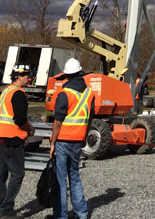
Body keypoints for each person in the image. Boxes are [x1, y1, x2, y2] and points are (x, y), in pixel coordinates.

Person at [49, 58, 94, 219]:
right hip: (77, 140)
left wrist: (52, 142)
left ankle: (61, 216)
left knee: (61, 180)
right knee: (74, 176)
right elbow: (89, 118)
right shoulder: (89, 93)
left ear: (67, 75)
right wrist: (84, 137)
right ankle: (81, 213)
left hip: (62, 140)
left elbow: (58, 121)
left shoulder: (65, 94)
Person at [0, 63, 35, 219]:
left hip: (1, 137)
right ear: (20, 76)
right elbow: (19, 118)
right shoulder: (18, 93)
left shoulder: (6, 91)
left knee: (0, 174)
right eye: (28, 76)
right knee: (17, 174)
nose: (29, 79)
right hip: (13, 138)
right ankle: (6, 210)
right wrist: (29, 128)